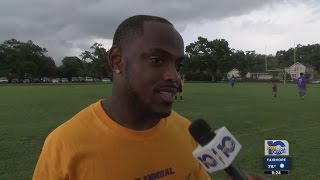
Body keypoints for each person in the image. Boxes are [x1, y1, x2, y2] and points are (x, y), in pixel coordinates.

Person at [33, 15, 268, 180]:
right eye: (157, 60)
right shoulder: (64, 145)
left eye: (178, 65)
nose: (174, 77)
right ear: (117, 60)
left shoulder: (185, 132)